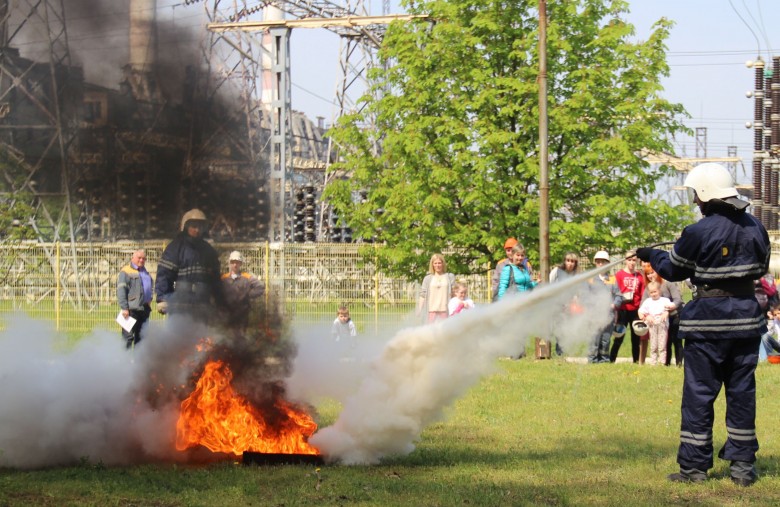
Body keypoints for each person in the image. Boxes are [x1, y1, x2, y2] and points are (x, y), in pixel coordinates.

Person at [636, 162, 770, 486]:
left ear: (706, 194)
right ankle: (742, 469)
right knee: (741, 395)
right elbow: (762, 266)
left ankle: (694, 469)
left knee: (698, 395)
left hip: (708, 325)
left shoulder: (697, 232)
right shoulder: (756, 227)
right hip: (746, 323)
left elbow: (674, 269)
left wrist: (651, 255)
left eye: (696, 194)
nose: (695, 200)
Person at [156, 208, 223, 321]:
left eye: (200, 227)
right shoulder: (175, 248)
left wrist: (218, 299)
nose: (197, 230)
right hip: (180, 305)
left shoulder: (208, 250)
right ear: (186, 226)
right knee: (180, 337)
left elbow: (215, 278)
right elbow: (164, 274)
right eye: (194, 226)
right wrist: (163, 298)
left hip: (203, 305)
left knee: (203, 338)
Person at [641, 265, 684, 366]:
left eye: (652, 272)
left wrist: (668, 309)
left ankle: (679, 364)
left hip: (674, 315)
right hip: (659, 320)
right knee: (665, 342)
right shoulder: (649, 288)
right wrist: (647, 316)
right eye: (648, 274)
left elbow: (678, 300)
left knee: (676, 340)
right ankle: (665, 364)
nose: (650, 276)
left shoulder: (668, 282)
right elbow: (642, 305)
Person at [609, 252, 645, 363]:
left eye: (634, 260)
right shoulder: (619, 275)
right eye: (629, 260)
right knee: (619, 336)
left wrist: (642, 309)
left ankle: (635, 361)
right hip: (623, 310)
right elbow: (614, 291)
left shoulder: (639, 276)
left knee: (636, 337)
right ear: (625, 260)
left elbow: (642, 293)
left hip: (635, 310)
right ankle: (611, 359)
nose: (632, 262)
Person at [587, 250, 621, 363]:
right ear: (595, 263)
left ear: (608, 264)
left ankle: (604, 361)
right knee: (594, 339)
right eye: (598, 262)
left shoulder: (612, 279)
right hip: (594, 316)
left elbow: (619, 296)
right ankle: (592, 360)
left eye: (603, 262)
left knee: (605, 340)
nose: (601, 264)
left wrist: (614, 304)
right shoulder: (590, 279)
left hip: (608, 316)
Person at [116, 249, 153, 349]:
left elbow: (150, 286)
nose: (141, 260)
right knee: (128, 338)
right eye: (139, 258)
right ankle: (125, 361)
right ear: (133, 258)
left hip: (144, 310)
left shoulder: (145, 272)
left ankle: (138, 362)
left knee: (141, 338)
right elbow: (121, 290)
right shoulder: (126, 271)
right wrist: (124, 308)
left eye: (143, 258)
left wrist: (150, 298)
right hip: (131, 310)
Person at [221, 250, 263, 332]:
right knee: (227, 337)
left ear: (241, 263)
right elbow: (216, 290)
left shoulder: (247, 277)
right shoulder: (223, 278)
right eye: (233, 262)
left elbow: (260, 287)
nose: (235, 265)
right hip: (227, 312)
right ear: (229, 263)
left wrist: (248, 294)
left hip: (242, 312)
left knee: (241, 335)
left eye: (237, 262)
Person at [549, 252, 580, 355]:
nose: (570, 263)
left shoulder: (576, 275)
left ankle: (562, 351)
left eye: (572, 261)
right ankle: (551, 351)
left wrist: (575, 300)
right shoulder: (556, 271)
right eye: (568, 261)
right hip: (556, 304)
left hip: (568, 305)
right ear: (564, 261)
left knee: (565, 329)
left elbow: (576, 291)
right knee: (556, 329)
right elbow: (550, 285)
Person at [637, 281, 672, 366]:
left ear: (659, 291)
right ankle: (653, 363)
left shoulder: (664, 300)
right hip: (652, 325)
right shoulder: (648, 301)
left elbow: (670, 308)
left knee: (662, 345)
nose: (653, 294)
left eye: (655, 291)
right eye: (651, 292)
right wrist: (645, 317)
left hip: (662, 325)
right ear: (649, 293)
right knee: (653, 345)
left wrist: (666, 313)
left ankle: (662, 363)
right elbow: (640, 312)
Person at [417, 253, 456, 323]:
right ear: (432, 265)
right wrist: (419, 309)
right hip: (431, 311)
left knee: (445, 332)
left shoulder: (450, 277)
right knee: (431, 332)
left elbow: (454, 293)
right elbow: (422, 295)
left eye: (439, 263)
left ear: (443, 264)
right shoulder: (427, 278)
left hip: (445, 311)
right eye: (435, 263)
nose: (437, 265)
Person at [492, 237, 533, 302]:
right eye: (508, 250)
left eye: (511, 250)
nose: (510, 252)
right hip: (510, 300)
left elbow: (529, 282)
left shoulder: (526, 265)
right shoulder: (501, 265)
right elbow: (496, 283)